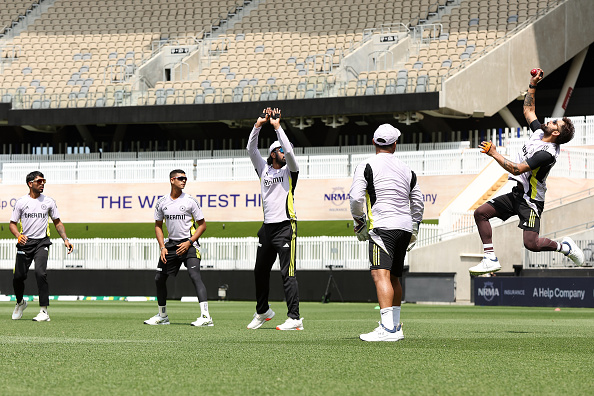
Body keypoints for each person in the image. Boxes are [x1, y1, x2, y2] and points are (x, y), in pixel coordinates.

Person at [469, 68, 584, 275]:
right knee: (481, 213)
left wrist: (494, 153)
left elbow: (516, 167)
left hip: (531, 200)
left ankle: (564, 248)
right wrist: (533, 84)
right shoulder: (540, 132)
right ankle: (490, 258)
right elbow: (528, 111)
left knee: (531, 243)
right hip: (518, 193)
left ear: (556, 132)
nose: (549, 121)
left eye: (553, 122)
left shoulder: (547, 153)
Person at [349, 124, 424, 342]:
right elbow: (417, 201)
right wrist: (415, 225)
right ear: (395, 144)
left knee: (379, 274)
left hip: (382, 226)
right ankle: (396, 326)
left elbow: (355, 198)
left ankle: (387, 328)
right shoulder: (407, 168)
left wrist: (359, 221)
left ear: (373, 142)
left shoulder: (366, 164)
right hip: (404, 227)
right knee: (394, 277)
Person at [245, 107, 303, 331]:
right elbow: (251, 150)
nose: (285, 152)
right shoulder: (264, 170)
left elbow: (289, 151)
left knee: (287, 273)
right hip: (267, 228)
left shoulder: (291, 171)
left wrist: (278, 127)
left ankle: (295, 317)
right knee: (260, 271)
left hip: (286, 226)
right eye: (279, 150)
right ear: (272, 154)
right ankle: (262, 311)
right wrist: (258, 126)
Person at [144, 169, 213, 326]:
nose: (184, 181)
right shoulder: (162, 203)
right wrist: (162, 247)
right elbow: (158, 226)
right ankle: (162, 316)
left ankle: (206, 317)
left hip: (189, 244)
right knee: (159, 278)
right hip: (171, 246)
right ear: (172, 180)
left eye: (185, 178)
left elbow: (203, 225)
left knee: (195, 276)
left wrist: (189, 241)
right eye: (181, 178)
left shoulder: (190, 201)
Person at [10, 171, 74, 321]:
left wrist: (66, 239)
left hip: (42, 243)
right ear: (30, 183)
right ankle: (20, 303)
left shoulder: (49, 202)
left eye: (43, 181)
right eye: (39, 181)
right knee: (18, 277)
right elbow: (12, 224)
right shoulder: (21, 202)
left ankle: (44, 311)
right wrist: (18, 236)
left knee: (40, 273)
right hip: (25, 244)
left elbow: (57, 222)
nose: (42, 184)